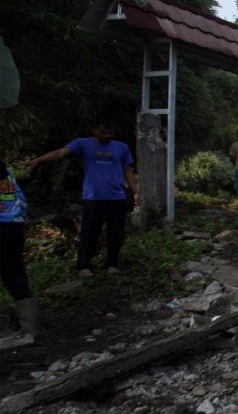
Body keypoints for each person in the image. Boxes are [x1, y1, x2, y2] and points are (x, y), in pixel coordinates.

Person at [25, 117, 141, 277]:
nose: (106, 136)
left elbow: (127, 170)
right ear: (94, 130)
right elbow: (60, 152)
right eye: (103, 132)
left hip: (116, 197)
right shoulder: (83, 144)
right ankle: (83, 265)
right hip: (93, 197)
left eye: (110, 133)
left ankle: (112, 263)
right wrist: (39, 160)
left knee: (116, 232)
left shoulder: (121, 147)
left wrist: (135, 191)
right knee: (90, 232)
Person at [0, 157, 38, 350]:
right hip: (13, 227)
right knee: (15, 274)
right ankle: (29, 328)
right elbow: (22, 203)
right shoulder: (8, 177)